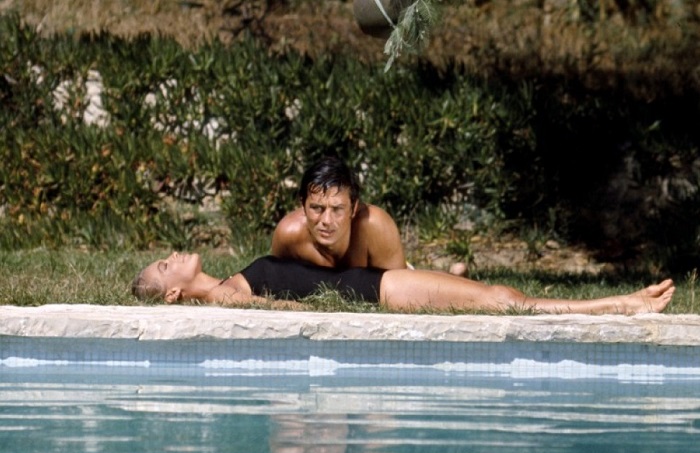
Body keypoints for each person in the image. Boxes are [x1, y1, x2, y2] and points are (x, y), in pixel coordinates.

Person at [131, 252, 675, 315]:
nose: (171, 256)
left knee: (497, 298)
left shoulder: (230, 286)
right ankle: (619, 304)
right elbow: (292, 311)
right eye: (163, 266)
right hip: (377, 291)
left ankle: (618, 303)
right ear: (173, 293)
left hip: (377, 281)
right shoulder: (227, 299)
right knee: (504, 301)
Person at [271, 156, 468, 275]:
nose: (327, 221)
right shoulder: (288, 235)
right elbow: (276, 284)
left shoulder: (374, 226)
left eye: (337, 209)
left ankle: (453, 278)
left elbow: (403, 290)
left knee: (424, 290)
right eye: (317, 208)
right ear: (303, 205)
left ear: (354, 208)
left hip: (387, 274)